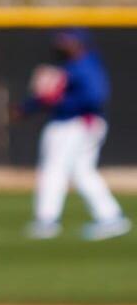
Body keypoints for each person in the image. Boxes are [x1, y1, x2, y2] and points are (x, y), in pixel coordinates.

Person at [16, 28, 130, 241]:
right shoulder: (72, 67)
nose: (60, 46)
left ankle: (46, 220)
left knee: (54, 170)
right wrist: (26, 108)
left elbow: (93, 97)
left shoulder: (84, 66)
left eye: (66, 42)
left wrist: (56, 100)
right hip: (78, 124)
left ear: (79, 43)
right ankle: (111, 216)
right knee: (82, 172)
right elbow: (45, 97)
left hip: (74, 123)